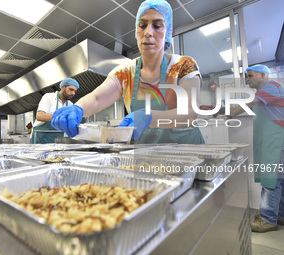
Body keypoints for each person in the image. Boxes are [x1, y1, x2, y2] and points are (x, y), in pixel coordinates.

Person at [51, 0, 205, 144]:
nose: (148, 32)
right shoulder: (125, 72)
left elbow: (190, 114)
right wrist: (78, 109)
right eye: (142, 25)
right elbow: (97, 98)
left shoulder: (184, 65)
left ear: (168, 32)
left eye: (157, 26)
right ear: (136, 31)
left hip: (188, 153)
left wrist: (148, 117)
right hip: (148, 157)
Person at [230, 64, 284, 232]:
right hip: (271, 141)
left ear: (263, 75)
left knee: (271, 180)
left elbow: (250, 103)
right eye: (246, 77)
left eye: (250, 76)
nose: (247, 80)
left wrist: (228, 114)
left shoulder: (272, 87)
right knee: (278, 179)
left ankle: (268, 219)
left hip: (276, 141)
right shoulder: (265, 92)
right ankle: (278, 215)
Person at [30, 78, 79, 144]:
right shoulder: (49, 97)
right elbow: (39, 116)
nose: (73, 93)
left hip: (57, 141)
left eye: (75, 91)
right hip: (40, 138)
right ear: (63, 87)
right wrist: (61, 117)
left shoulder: (70, 105)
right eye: (71, 90)